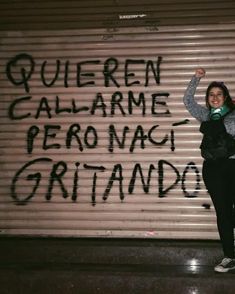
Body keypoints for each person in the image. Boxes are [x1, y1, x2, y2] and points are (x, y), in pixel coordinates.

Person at [183, 68, 235, 273]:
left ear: (225, 97)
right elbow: (187, 102)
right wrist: (195, 78)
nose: (215, 98)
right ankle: (230, 256)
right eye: (211, 95)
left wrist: (214, 125)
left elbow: (228, 130)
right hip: (213, 168)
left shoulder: (233, 114)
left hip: (233, 165)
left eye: (219, 94)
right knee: (222, 212)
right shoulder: (205, 114)